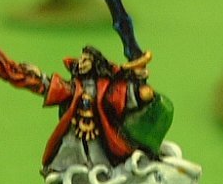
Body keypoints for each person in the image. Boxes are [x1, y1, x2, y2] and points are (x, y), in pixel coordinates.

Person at [41, 45, 157, 173]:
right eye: (80, 60)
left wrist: (137, 86)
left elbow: (119, 92)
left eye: (85, 60)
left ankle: (102, 172)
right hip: (76, 125)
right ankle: (59, 168)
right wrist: (41, 79)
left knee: (98, 153)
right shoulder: (76, 84)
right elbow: (60, 89)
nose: (80, 63)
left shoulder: (104, 85)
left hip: (97, 128)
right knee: (69, 145)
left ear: (94, 63)